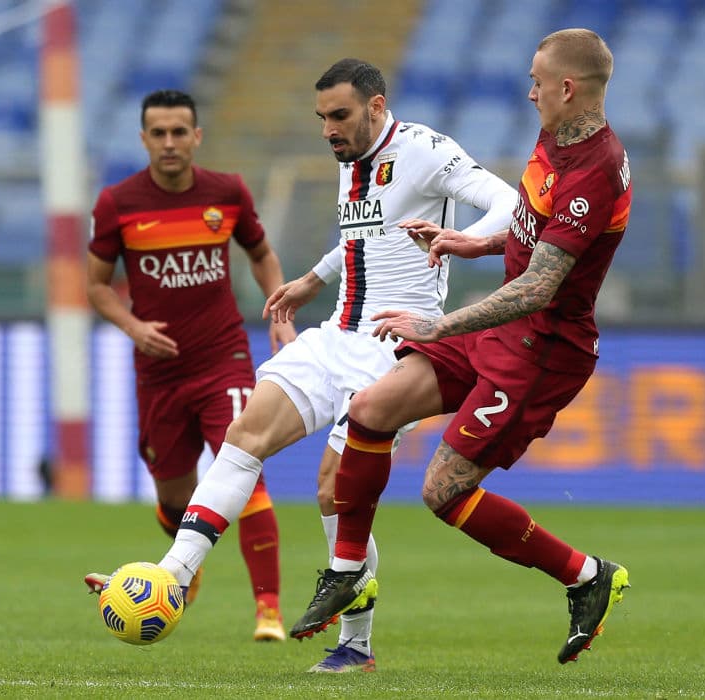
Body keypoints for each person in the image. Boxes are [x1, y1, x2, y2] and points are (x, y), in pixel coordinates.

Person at [117, 59, 521, 672]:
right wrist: (313, 277)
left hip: (397, 345)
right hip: (335, 334)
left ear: (377, 107)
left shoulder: (423, 150)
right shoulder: (349, 159)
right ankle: (172, 576)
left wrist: (465, 243)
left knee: (334, 486)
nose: (329, 129)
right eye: (322, 119)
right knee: (243, 437)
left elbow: (507, 202)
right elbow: (362, 236)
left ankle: (355, 645)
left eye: (341, 116)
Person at [290, 28, 633, 665]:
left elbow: (540, 286)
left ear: (567, 88)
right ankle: (345, 571)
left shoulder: (595, 172)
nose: (529, 93)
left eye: (537, 81)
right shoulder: (558, 136)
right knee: (369, 410)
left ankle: (588, 577)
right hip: (499, 331)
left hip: (543, 349)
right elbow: (532, 233)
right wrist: (473, 244)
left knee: (443, 491)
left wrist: (438, 325)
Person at [82, 89, 296, 642]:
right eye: (160, 133)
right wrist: (133, 327)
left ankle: (268, 610)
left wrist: (277, 307)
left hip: (222, 358)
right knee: (174, 494)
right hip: (158, 372)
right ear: (144, 139)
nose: (171, 143)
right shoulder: (117, 203)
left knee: (244, 474)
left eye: (181, 132)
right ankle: (181, 572)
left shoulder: (227, 192)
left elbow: (262, 254)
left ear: (197, 136)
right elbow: (95, 287)